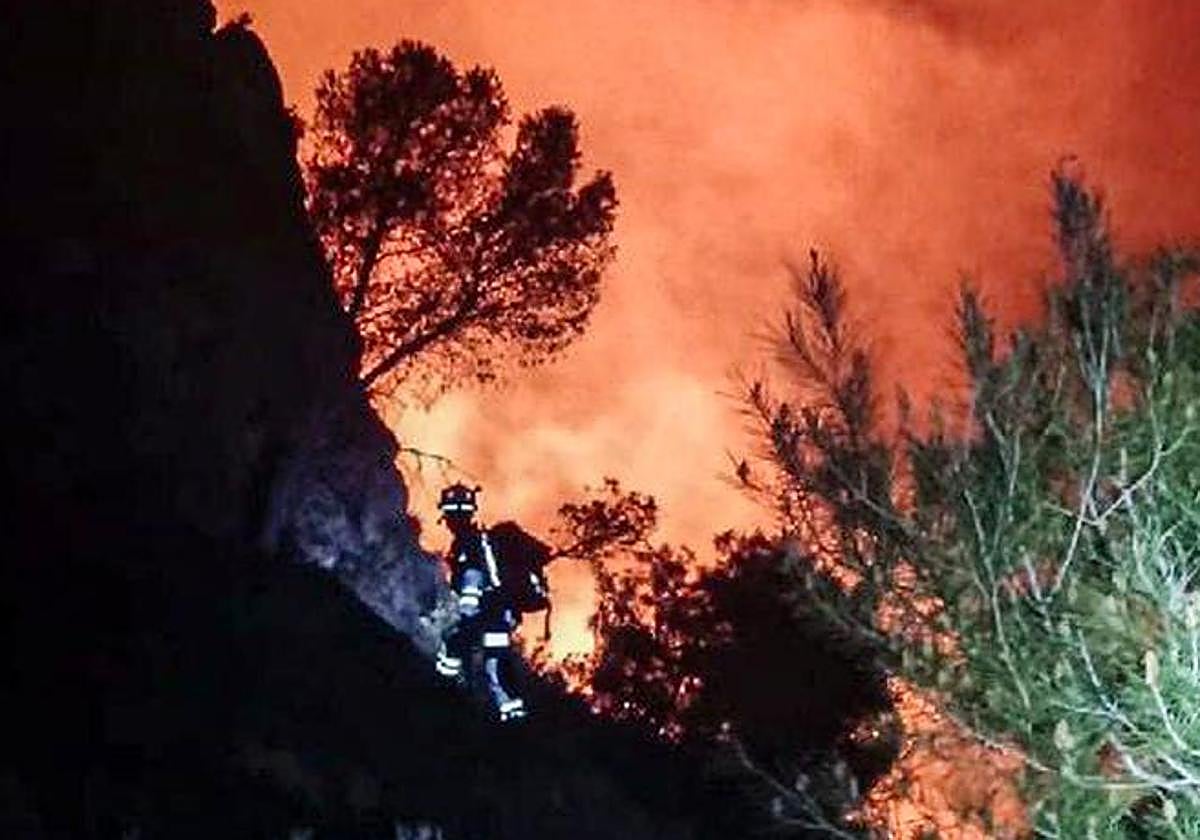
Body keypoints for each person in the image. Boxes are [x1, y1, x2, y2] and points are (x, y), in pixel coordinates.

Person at [433, 483, 528, 722]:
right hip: (495, 614)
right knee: (477, 656)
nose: (448, 521)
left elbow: (473, 579)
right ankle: (456, 700)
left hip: (490, 615)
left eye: (449, 516)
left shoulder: (469, 542)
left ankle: (512, 718)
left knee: (493, 665)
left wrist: (467, 611)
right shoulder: (478, 540)